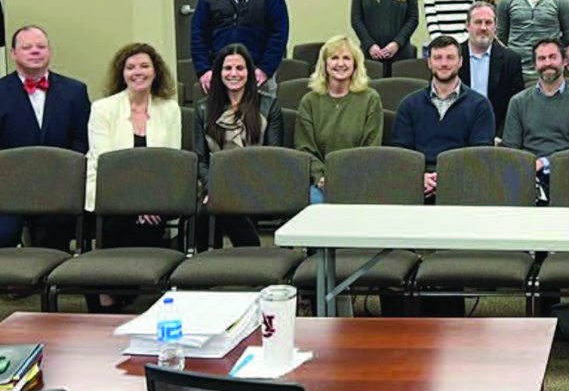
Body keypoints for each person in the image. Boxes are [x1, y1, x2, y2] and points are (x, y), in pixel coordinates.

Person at [0, 25, 91, 250]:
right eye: (27, 47)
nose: (35, 51)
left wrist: (62, 178)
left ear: (49, 51)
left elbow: (82, 142)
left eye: (41, 46)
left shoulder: (75, 91)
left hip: (61, 186)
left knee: (59, 235)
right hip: (10, 189)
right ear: (13, 54)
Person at [86, 43, 182, 246]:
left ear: (155, 72)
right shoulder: (102, 109)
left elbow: (172, 165)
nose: (138, 72)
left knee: (150, 224)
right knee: (125, 223)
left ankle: (148, 274)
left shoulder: (170, 109)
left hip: (157, 198)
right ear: (122, 74)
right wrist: (136, 205)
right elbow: (105, 165)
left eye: (144, 66)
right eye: (130, 68)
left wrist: (149, 203)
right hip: (112, 195)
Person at [192, 44, 284, 251]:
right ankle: (207, 265)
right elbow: (200, 158)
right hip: (217, 183)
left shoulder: (269, 106)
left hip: (258, 183)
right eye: (227, 68)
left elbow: (273, 157)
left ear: (249, 73)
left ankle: (249, 256)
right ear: (219, 73)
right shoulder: (203, 110)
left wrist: (237, 188)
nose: (233, 74)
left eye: (240, 68)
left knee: (224, 205)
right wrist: (212, 187)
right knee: (204, 211)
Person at [393, 35, 496, 197]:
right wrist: (420, 177)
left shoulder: (480, 105)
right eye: (438, 58)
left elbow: (480, 156)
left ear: (460, 62)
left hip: (463, 187)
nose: (444, 64)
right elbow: (401, 153)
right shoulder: (409, 104)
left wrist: (447, 180)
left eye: (450, 58)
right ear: (429, 62)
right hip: (417, 184)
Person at [295, 35, 384, 204]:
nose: (340, 64)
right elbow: (305, 149)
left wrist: (347, 179)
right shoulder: (309, 101)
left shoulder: (370, 99)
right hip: (321, 183)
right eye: (334, 58)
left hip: (359, 179)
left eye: (346, 58)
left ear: (355, 64)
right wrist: (322, 177)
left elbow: (371, 147)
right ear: (325, 64)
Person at [502, 38, 569, 192]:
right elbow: (511, 149)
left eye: (553, 57)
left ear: (564, 61)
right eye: (542, 59)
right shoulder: (518, 102)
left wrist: (546, 163)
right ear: (534, 65)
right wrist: (526, 170)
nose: (547, 63)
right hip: (526, 176)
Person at [458, 2, 523, 137]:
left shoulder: (511, 60)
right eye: (478, 22)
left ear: (495, 27)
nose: (483, 28)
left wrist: (500, 137)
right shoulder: (452, 57)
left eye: (488, 22)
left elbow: (514, 108)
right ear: (467, 25)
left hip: (497, 134)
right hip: (458, 133)